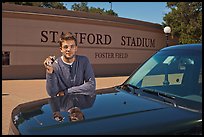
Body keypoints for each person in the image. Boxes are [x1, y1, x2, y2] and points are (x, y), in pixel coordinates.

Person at [44, 32, 96, 97]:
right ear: (61, 49)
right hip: (63, 105)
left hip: (79, 104)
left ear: (76, 48)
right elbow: (52, 93)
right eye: (65, 47)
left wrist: (67, 92)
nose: (69, 49)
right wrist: (50, 73)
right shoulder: (55, 66)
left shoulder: (84, 61)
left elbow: (91, 85)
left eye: (72, 46)